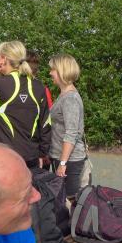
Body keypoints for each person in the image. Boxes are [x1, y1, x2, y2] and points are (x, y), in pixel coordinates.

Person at [0, 41, 51, 169]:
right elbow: (46, 123)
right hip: (30, 157)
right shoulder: (38, 86)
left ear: (4, 59)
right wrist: (42, 153)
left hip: (3, 157)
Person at [48, 54, 90, 199]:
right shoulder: (64, 95)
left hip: (70, 160)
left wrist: (63, 163)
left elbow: (71, 133)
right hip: (62, 157)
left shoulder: (70, 98)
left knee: (70, 201)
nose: (50, 73)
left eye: (53, 69)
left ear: (62, 71)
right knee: (63, 200)